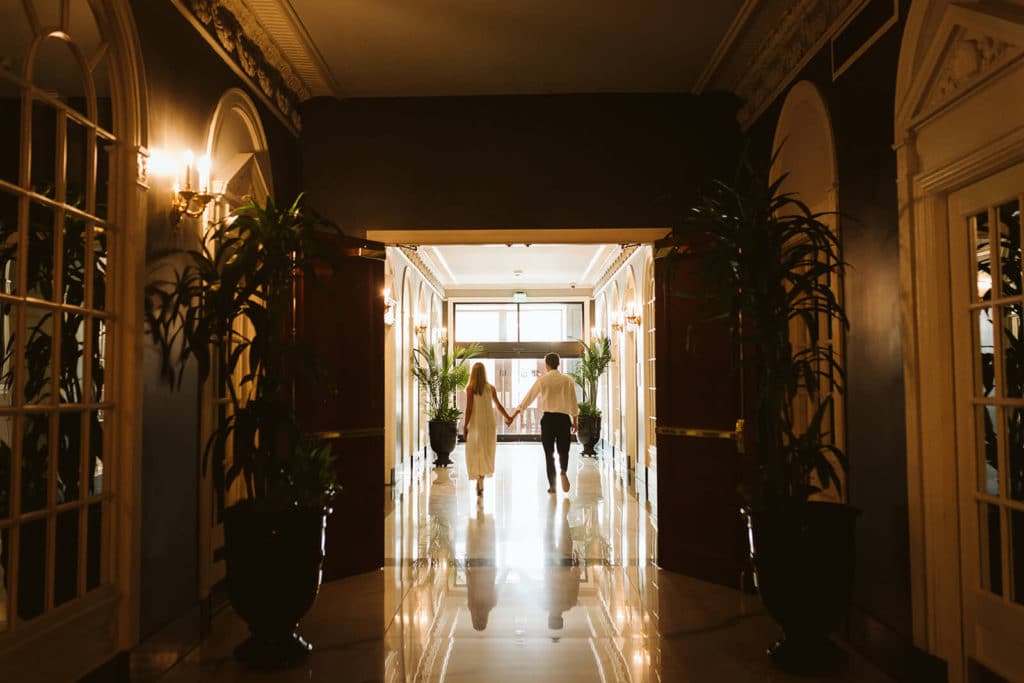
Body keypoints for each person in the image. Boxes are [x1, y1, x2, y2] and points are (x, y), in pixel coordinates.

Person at [507, 352, 579, 494]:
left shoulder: (543, 380)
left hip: (548, 420)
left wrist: (515, 413)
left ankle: (552, 485)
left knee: (549, 453)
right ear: (558, 363)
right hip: (564, 419)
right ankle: (563, 470)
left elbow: (529, 397)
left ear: (547, 364)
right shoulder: (567, 380)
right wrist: (575, 421)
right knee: (564, 449)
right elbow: (573, 402)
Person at [463, 362, 512, 497]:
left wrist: (465, 426)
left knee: (475, 450)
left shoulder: (470, 388)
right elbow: (498, 405)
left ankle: (478, 478)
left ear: (473, 373)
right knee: (486, 450)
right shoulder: (491, 388)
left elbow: (469, 409)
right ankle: (482, 478)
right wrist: (508, 417)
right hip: (489, 423)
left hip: (476, 423)